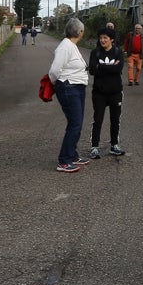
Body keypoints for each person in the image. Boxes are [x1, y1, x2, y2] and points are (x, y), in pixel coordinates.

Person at [49, 17, 90, 173]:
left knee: (77, 123)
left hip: (76, 87)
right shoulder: (65, 47)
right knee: (75, 124)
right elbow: (54, 71)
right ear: (79, 31)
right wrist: (58, 84)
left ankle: (72, 155)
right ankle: (64, 160)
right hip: (69, 88)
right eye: (82, 30)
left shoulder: (71, 45)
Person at [88, 28, 126, 159]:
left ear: (112, 40)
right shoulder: (95, 53)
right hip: (99, 92)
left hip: (115, 92)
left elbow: (119, 69)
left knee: (115, 120)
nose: (102, 40)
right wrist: (110, 68)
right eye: (101, 38)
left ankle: (114, 145)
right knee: (98, 119)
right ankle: (94, 147)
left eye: (105, 38)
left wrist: (101, 67)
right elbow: (92, 70)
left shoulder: (118, 52)